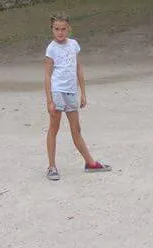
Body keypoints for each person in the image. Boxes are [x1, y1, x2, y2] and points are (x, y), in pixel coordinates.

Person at [44, 13, 111, 181]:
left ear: (69, 29)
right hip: (57, 91)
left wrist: (83, 93)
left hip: (71, 92)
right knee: (54, 128)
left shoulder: (73, 45)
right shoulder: (51, 48)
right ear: (52, 30)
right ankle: (52, 166)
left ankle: (90, 163)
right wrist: (49, 100)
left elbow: (78, 69)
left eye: (63, 29)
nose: (60, 32)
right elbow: (47, 75)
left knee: (77, 130)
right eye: (56, 29)